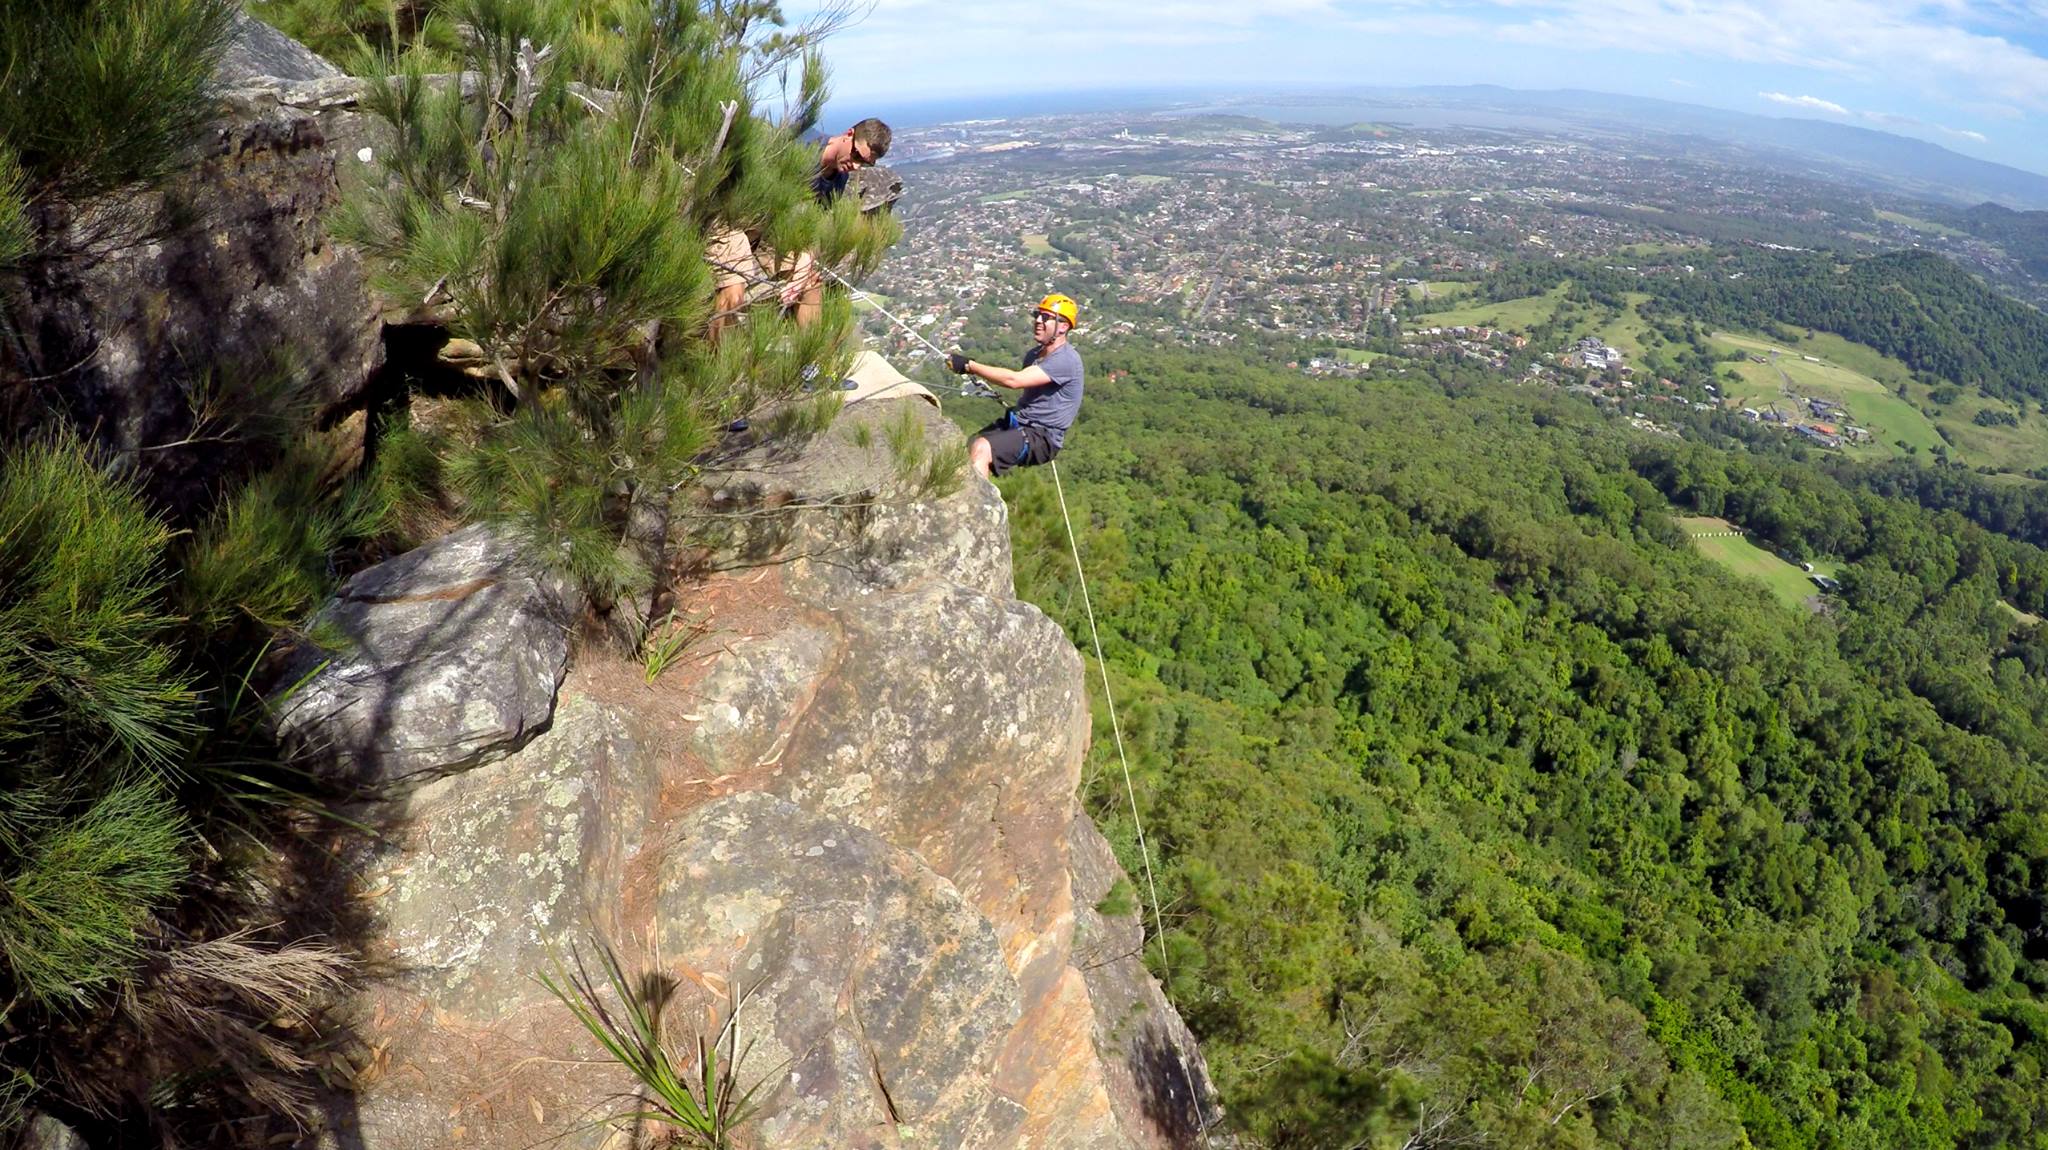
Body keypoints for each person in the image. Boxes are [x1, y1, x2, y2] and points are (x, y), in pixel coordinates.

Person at [707, 118, 892, 336]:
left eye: (865, 163)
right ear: (848, 134)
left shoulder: (838, 180)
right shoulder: (801, 148)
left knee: (811, 283)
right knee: (733, 288)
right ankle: (716, 359)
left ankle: (812, 364)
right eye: (856, 155)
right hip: (733, 219)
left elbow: (812, 225)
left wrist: (801, 271)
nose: (856, 165)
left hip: (771, 230)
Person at [948, 293, 1084, 479]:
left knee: (982, 448)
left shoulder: (1066, 360)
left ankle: (982, 504)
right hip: (1022, 423)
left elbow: (1014, 381)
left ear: (1063, 326)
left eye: (1046, 317)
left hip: (1043, 437)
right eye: (1037, 315)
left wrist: (970, 366)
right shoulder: (1034, 355)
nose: (1038, 321)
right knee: (969, 446)